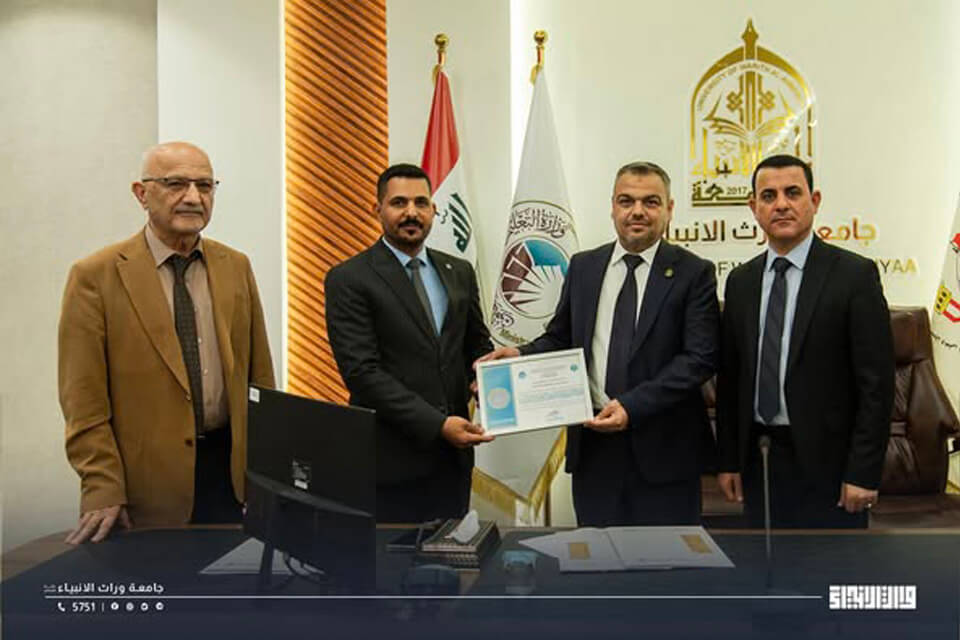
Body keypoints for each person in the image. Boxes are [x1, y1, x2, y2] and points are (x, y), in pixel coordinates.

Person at [479, 162, 720, 526]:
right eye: (626, 201)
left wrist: (631, 407)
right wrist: (520, 353)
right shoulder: (584, 267)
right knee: (595, 555)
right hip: (594, 453)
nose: (637, 211)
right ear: (612, 207)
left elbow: (699, 359)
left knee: (666, 560)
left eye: (651, 202)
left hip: (665, 455)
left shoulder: (694, 272)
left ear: (669, 209)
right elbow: (560, 338)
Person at [58, 142, 275, 544]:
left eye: (205, 186)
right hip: (143, 491)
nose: (193, 197)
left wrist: (266, 478)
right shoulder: (95, 276)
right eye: (176, 184)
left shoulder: (235, 266)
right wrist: (102, 486)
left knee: (232, 584)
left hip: (231, 482)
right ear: (142, 194)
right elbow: (82, 400)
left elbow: (260, 381)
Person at [716, 154, 894, 528]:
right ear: (753, 207)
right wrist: (729, 460)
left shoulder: (854, 275)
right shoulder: (741, 282)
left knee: (830, 566)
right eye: (768, 196)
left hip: (831, 468)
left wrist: (863, 472)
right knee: (762, 565)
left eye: (792, 193)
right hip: (760, 460)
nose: (781, 204)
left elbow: (876, 385)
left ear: (814, 201)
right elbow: (731, 379)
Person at [325, 163, 494, 523]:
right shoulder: (349, 278)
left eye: (421, 202)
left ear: (434, 209)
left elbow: (476, 344)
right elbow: (362, 373)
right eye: (398, 203)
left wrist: (485, 378)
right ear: (377, 209)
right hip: (390, 463)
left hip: (453, 464)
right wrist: (438, 425)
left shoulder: (459, 271)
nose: (411, 213)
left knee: (451, 554)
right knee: (390, 557)